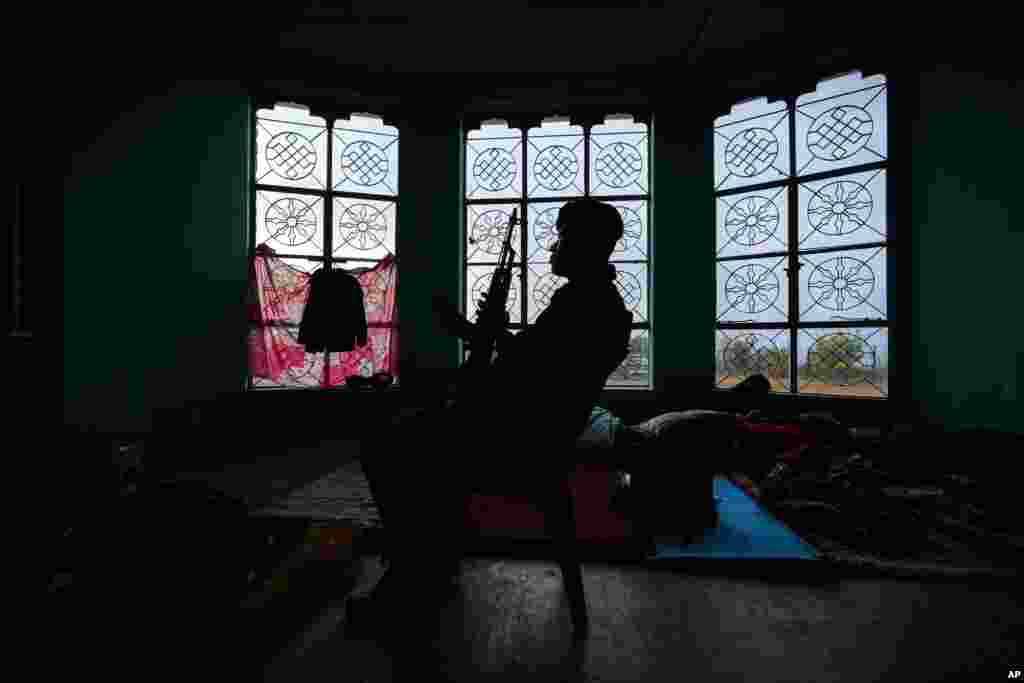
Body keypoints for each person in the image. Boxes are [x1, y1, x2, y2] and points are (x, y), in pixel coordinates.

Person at [357, 199, 633, 625]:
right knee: (414, 428)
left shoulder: (584, 304)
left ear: (583, 243)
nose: (554, 246)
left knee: (386, 442)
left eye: (561, 236)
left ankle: (411, 575)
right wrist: (490, 336)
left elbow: (530, 372)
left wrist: (470, 332)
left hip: (521, 441)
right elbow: (534, 361)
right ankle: (430, 561)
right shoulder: (595, 302)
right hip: (536, 433)